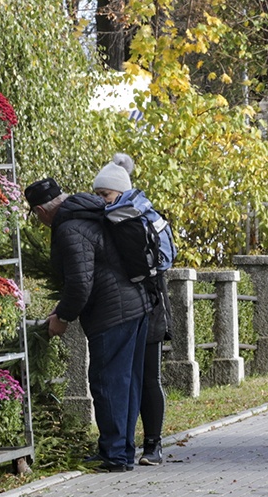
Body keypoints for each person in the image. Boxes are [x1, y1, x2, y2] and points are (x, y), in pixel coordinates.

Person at [24, 177, 150, 471]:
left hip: (112, 313)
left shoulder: (69, 228)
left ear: (41, 211)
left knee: (107, 382)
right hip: (137, 304)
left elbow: (81, 283)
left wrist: (63, 317)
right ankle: (123, 449)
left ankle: (114, 454)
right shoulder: (93, 210)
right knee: (127, 382)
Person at [93, 153, 172, 465]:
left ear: (121, 191)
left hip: (148, 305)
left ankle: (153, 444)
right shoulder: (132, 214)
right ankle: (145, 445)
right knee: (141, 377)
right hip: (149, 302)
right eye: (98, 195)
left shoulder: (129, 217)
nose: (101, 200)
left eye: (105, 194)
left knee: (148, 377)